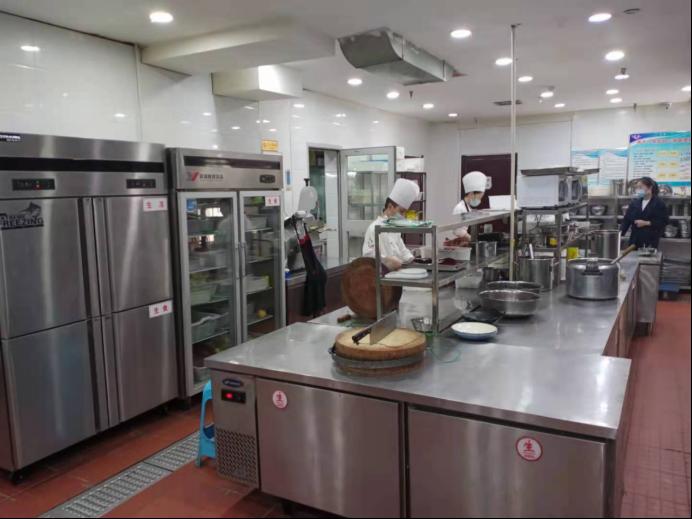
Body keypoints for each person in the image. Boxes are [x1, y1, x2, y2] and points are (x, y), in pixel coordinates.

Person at [362, 178, 420, 271]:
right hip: (382, 275)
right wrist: (386, 260)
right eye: (401, 211)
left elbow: (402, 251)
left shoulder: (394, 227)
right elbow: (368, 256)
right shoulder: (374, 228)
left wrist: (414, 260)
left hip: (397, 273)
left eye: (405, 212)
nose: (403, 216)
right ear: (390, 207)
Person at [620, 176, 668, 249]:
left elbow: (664, 221)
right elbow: (626, 221)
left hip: (650, 241)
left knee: (646, 256)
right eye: (637, 188)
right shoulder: (635, 203)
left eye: (640, 187)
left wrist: (647, 223)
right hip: (634, 241)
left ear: (650, 187)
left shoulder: (659, 203)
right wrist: (619, 235)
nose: (638, 190)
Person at [450, 170, 488, 244]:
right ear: (471, 194)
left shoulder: (468, 208)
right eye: (479, 198)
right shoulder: (460, 208)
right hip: (458, 245)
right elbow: (458, 231)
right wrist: (472, 240)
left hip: (464, 243)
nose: (479, 200)